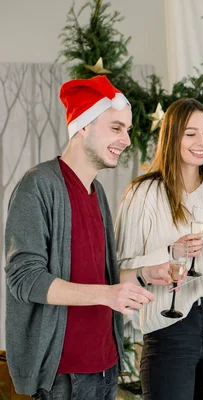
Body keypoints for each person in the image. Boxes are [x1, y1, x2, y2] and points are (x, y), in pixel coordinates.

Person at [4, 76, 158, 399]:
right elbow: (24, 279)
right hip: (64, 379)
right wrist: (107, 296)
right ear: (84, 126)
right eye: (116, 128)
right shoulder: (38, 187)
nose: (126, 140)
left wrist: (144, 275)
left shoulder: (97, 193)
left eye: (127, 130)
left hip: (105, 370)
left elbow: (101, 279)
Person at [115, 98, 203, 399]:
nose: (202, 142)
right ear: (172, 136)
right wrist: (170, 253)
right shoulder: (142, 194)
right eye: (191, 133)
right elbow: (118, 270)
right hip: (169, 328)